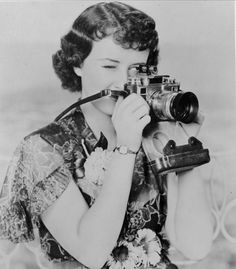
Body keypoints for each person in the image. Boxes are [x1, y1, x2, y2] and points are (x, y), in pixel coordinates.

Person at [0, 2, 213, 269]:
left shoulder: (154, 135)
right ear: (77, 64)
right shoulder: (42, 149)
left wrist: (184, 147)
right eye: (110, 66)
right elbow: (92, 253)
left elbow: (197, 246)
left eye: (136, 69)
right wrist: (125, 148)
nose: (123, 82)